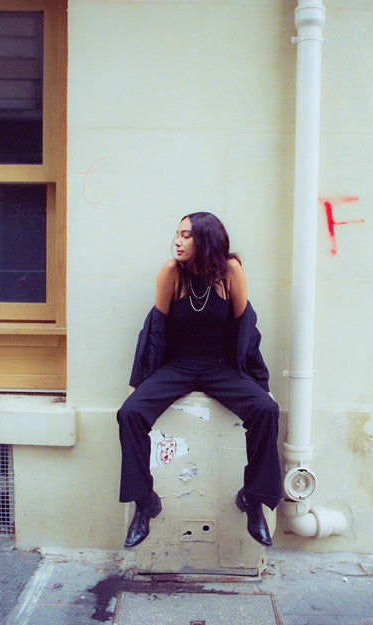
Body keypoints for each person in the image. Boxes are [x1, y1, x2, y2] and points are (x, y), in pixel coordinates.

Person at [117, 212, 282, 549]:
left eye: (186, 235)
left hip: (220, 368)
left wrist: (257, 381)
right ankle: (144, 502)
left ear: (206, 239)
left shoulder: (231, 272)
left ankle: (253, 499)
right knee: (129, 413)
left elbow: (245, 328)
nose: (177, 241)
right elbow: (155, 329)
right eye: (177, 234)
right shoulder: (171, 272)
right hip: (177, 367)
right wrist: (139, 379)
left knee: (266, 409)